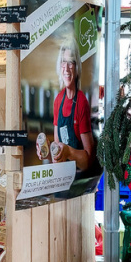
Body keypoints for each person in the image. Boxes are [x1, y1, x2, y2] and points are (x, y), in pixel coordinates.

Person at [37, 38, 95, 172]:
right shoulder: (58, 100)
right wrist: (47, 149)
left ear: (77, 67)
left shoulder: (81, 102)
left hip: (78, 179)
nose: (67, 68)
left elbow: (89, 160)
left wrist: (69, 152)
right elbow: (58, 149)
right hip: (62, 175)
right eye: (64, 61)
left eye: (71, 62)